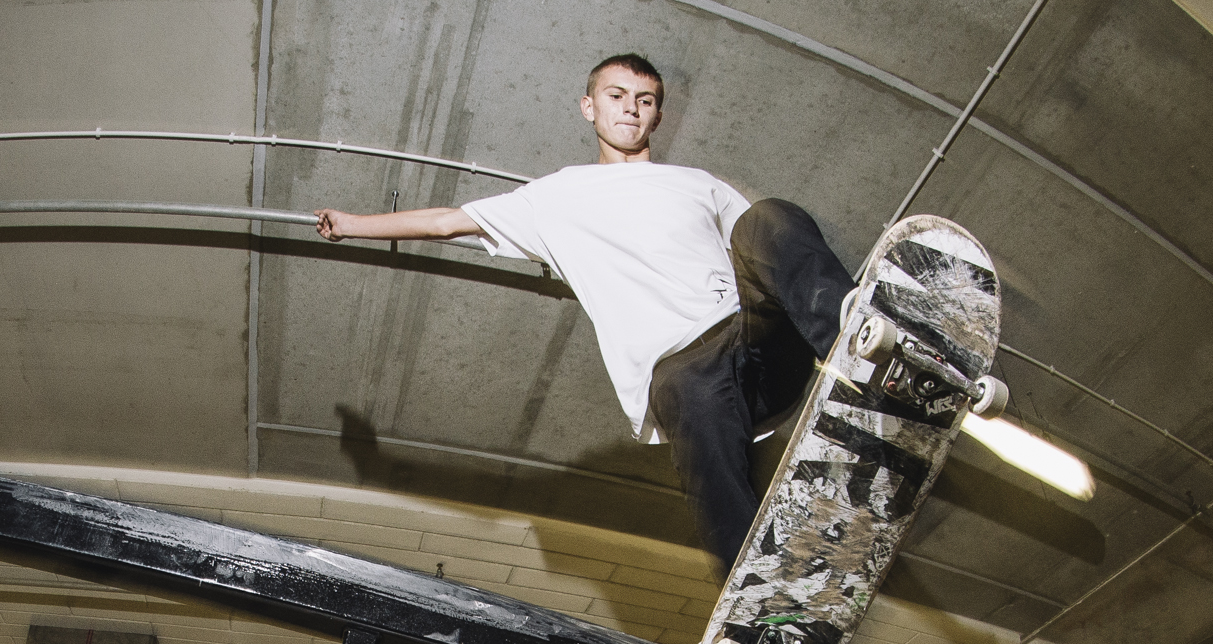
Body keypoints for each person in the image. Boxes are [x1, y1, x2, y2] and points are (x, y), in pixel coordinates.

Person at [315, 52, 858, 570]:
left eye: (645, 100)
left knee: (769, 216)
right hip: (682, 368)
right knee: (689, 407)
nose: (631, 108)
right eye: (617, 95)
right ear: (589, 106)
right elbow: (446, 222)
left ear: (658, 116)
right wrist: (353, 223)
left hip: (752, 339)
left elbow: (770, 249)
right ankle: (758, 597)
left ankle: (862, 345)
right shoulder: (554, 196)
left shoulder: (697, 183)